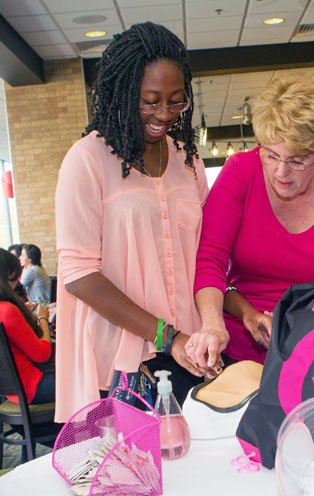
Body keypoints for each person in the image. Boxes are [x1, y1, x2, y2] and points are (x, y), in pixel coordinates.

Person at [54, 22, 209, 422]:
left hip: (190, 351)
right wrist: (165, 335)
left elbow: (209, 251)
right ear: (122, 94)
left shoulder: (187, 160)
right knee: (134, 477)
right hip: (121, 360)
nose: (164, 115)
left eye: (176, 102)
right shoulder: (87, 159)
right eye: (150, 101)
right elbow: (78, 273)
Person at [189, 78, 314, 369]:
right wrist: (213, 325)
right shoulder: (241, 172)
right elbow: (210, 258)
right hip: (243, 353)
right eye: (271, 155)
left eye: (298, 160)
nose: (281, 172)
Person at [0, 249, 54, 404]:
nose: (17, 282)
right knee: (92, 378)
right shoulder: (6, 310)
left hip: (10, 391)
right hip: (33, 387)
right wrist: (43, 318)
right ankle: (97, 426)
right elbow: (43, 354)